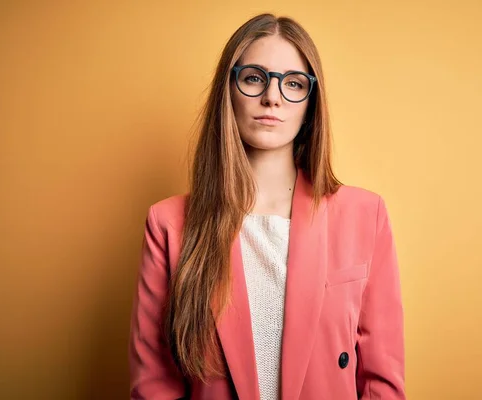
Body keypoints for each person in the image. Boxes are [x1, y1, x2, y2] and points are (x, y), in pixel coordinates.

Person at [129, 13, 405, 400]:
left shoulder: (365, 215)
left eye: (293, 83)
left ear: (311, 103)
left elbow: (383, 382)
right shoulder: (170, 224)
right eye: (255, 77)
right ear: (229, 89)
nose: (272, 96)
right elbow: (156, 386)